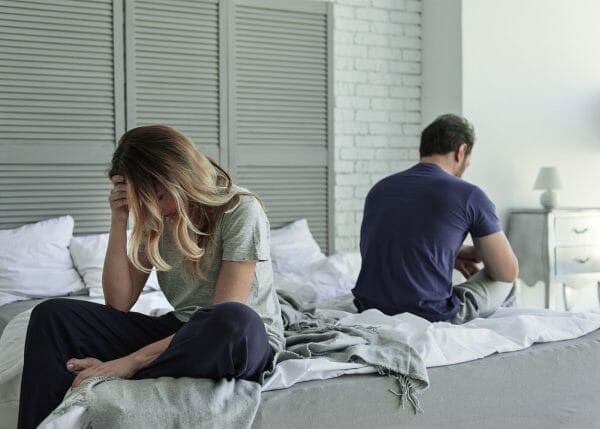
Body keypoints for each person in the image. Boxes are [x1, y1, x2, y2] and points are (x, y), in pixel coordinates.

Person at [18, 125, 284, 429]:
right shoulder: (156, 215)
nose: (153, 207)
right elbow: (118, 303)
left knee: (233, 319)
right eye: (143, 199)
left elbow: (221, 315)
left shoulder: (241, 209)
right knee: (52, 316)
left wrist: (129, 361)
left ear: (178, 176)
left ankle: (125, 371)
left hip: (238, 339)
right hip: (181, 332)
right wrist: (119, 220)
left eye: (157, 195)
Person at [352, 114, 519, 323]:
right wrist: (485, 255)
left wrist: (452, 253)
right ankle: (507, 334)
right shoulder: (469, 195)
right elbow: (507, 272)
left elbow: (392, 242)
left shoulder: (380, 189)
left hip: (370, 307)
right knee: (508, 281)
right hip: (429, 315)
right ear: (461, 151)